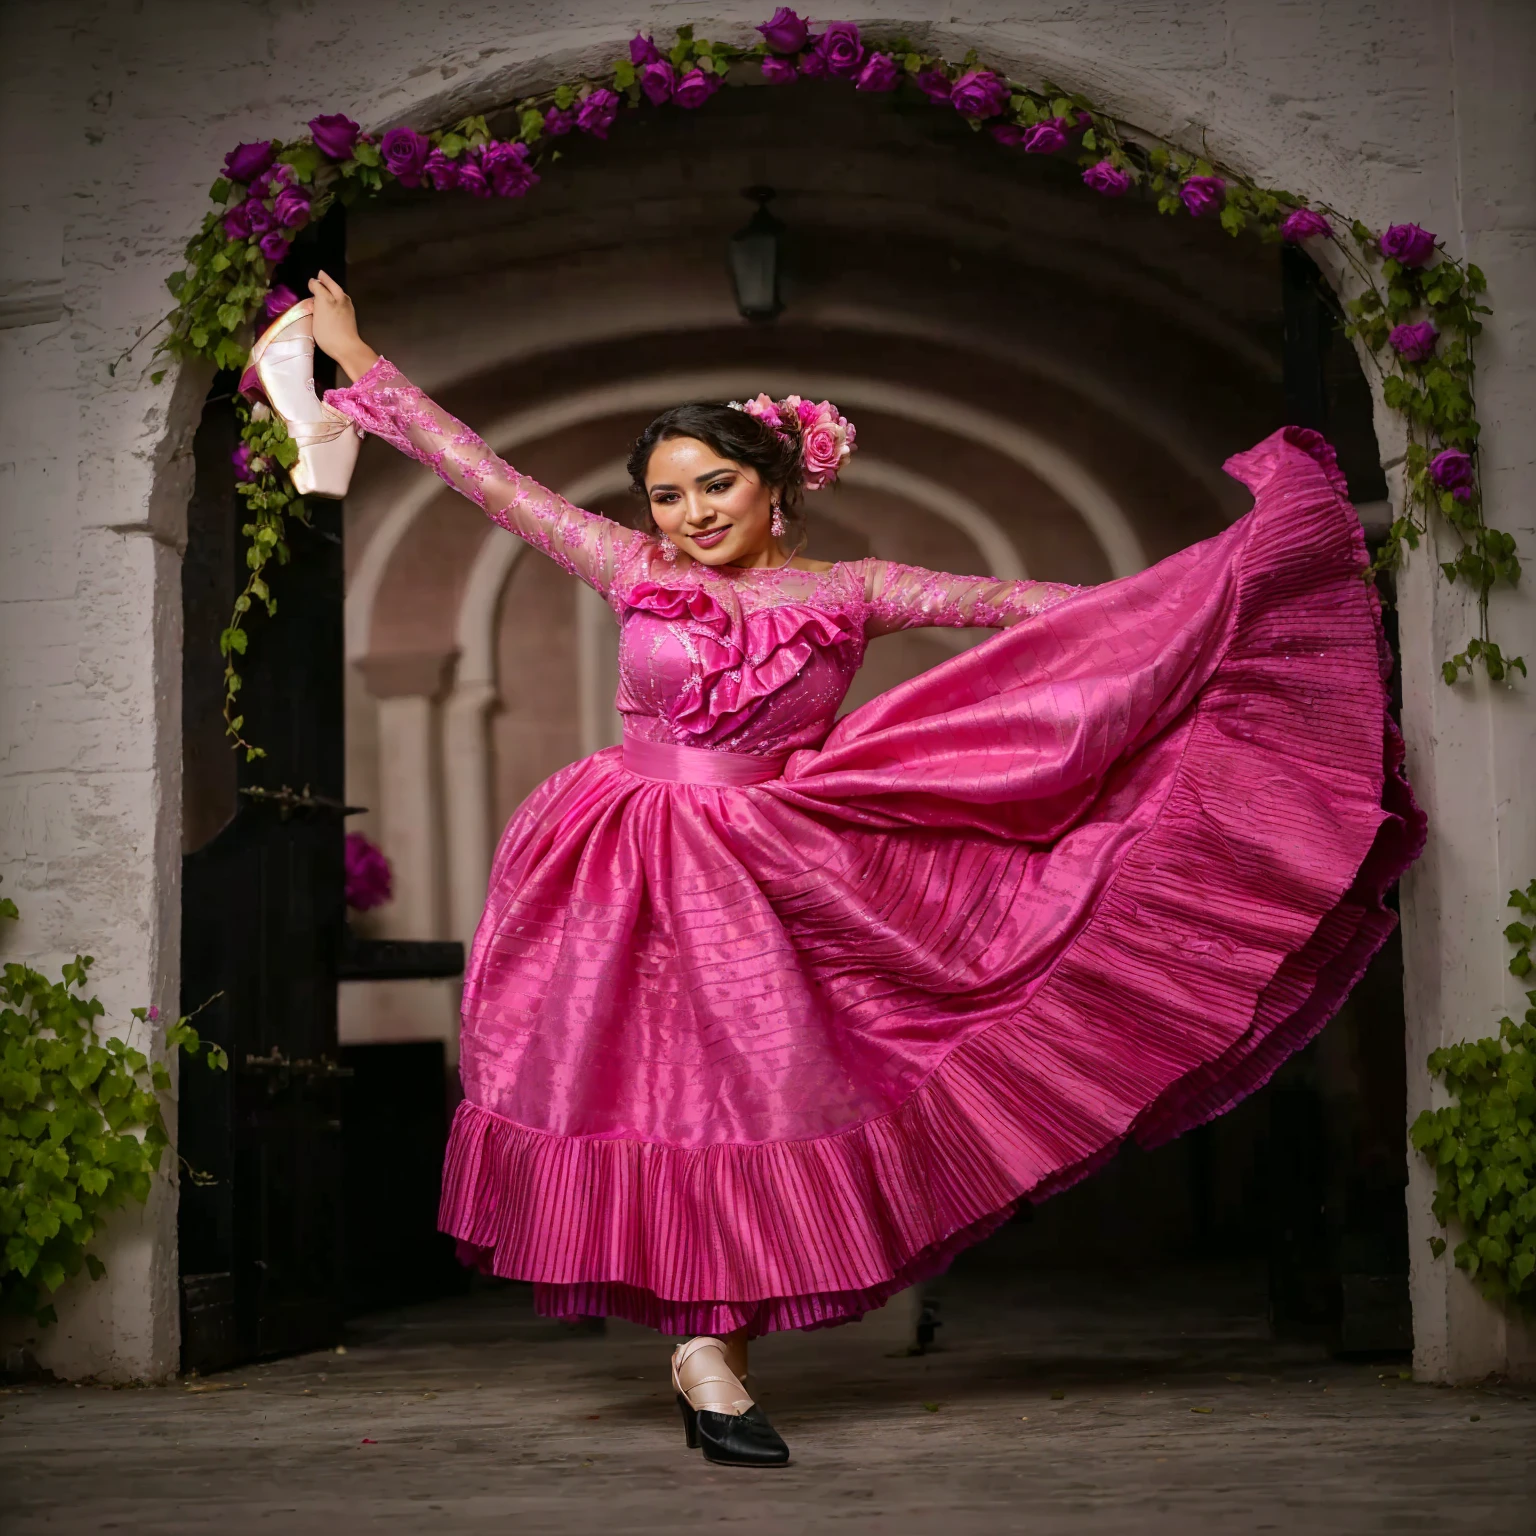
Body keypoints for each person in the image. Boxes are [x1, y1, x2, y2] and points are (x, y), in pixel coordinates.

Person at [247, 272, 1421, 1467]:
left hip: (779, 865)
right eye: (668, 495)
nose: (693, 513)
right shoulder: (628, 567)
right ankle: (707, 1360)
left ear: (775, 483)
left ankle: (715, 1355)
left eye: (717, 484)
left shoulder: (852, 594)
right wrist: (361, 361)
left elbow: (1036, 607)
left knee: (757, 1107)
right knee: (652, 1100)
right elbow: (485, 477)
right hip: (616, 866)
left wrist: (1207, 602)